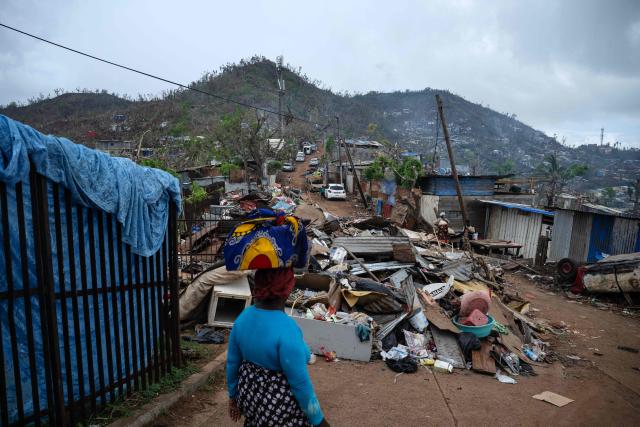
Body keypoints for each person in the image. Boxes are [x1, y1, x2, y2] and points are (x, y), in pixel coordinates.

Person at [226, 266, 329, 427]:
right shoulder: (288, 329)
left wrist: (233, 395)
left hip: (250, 399)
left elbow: (232, 362)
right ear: (288, 290)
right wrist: (319, 421)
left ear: (257, 286)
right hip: (277, 410)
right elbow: (300, 384)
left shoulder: (243, 318)